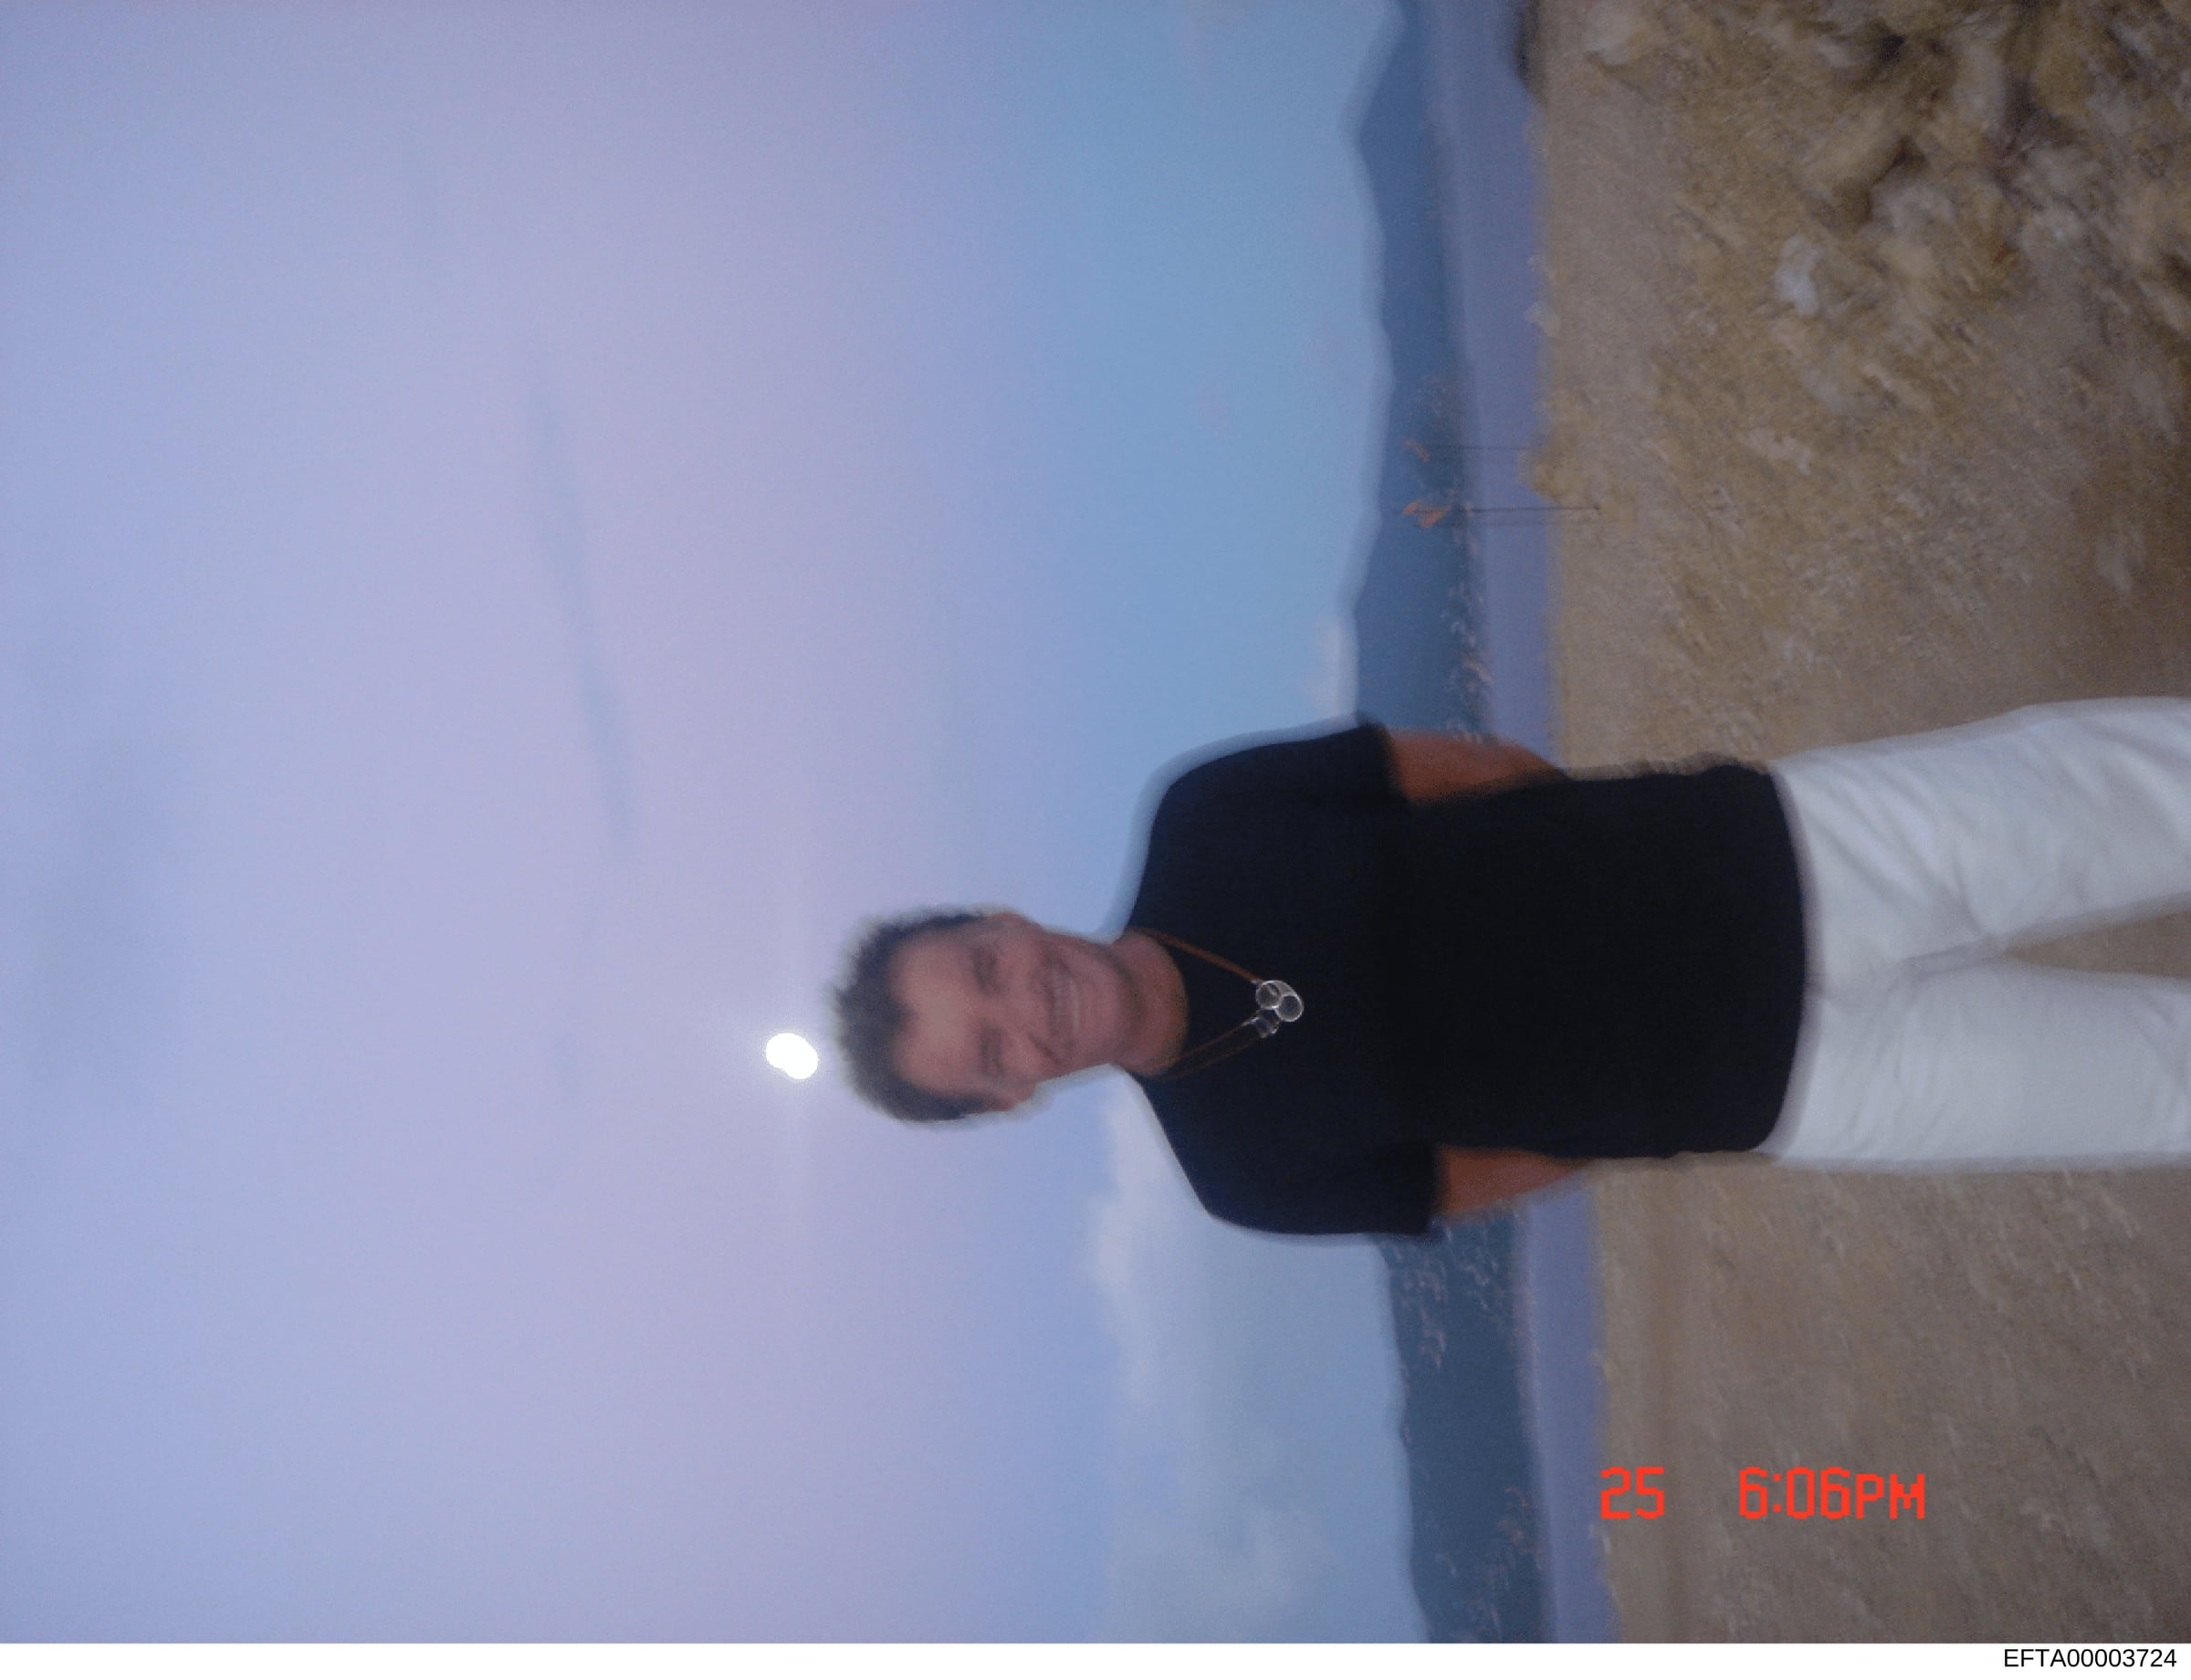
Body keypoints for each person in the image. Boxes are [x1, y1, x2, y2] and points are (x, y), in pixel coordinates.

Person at [831, 700, 2191, 1239]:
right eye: (992, 1051)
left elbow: (1473, 774)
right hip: (1819, 1091)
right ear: (1011, 1100)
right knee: (2159, 1091)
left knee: (2145, 796)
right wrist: (1636, 1077)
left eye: (985, 968)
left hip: (1796, 849)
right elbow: (1490, 1172)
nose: (1027, 1010)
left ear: (999, 918)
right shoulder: (1243, 1176)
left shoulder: (1210, 818)